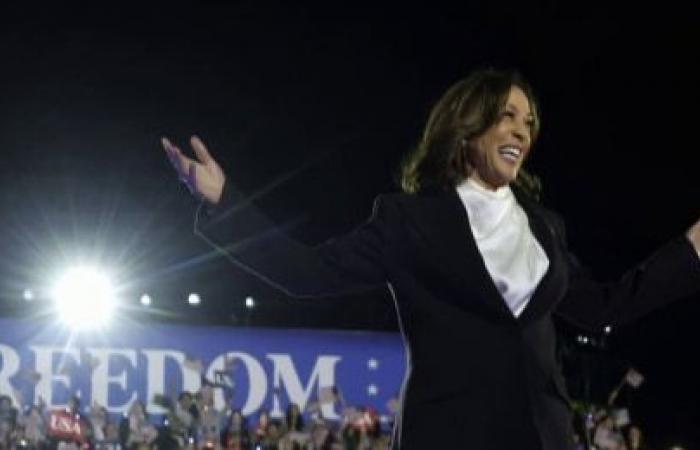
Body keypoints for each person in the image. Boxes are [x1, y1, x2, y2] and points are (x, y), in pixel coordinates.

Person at [161, 68, 700, 450]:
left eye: (529, 123)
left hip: (541, 438)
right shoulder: (410, 220)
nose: (521, 130)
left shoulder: (545, 228)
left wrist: (691, 250)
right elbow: (308, 274)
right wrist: (226, 203)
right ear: (469, 126)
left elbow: (605, 304)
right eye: (507, 116)